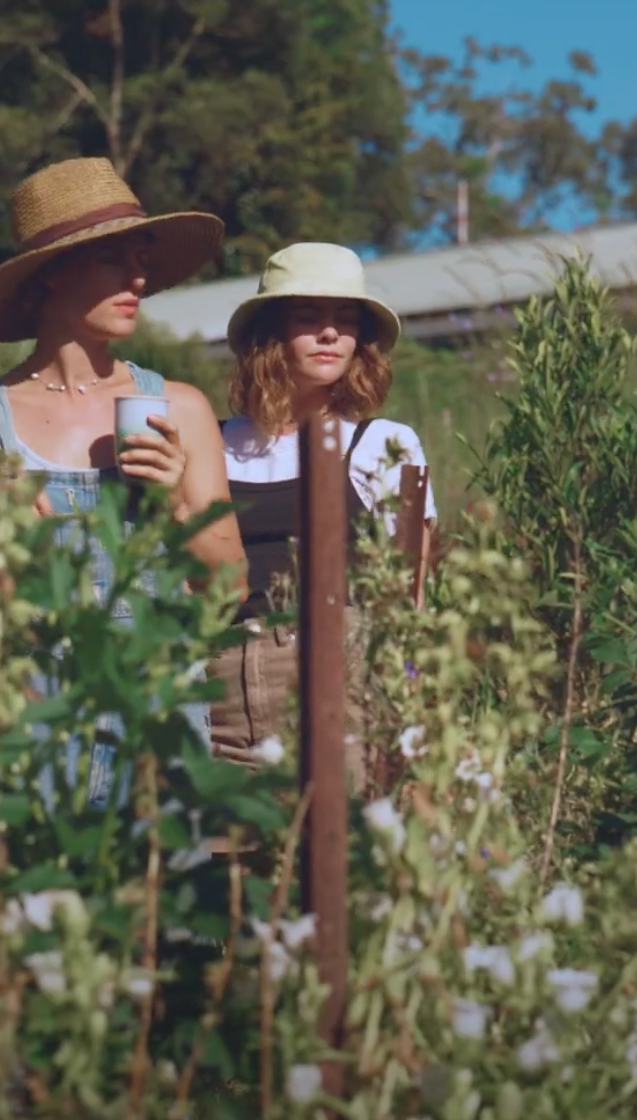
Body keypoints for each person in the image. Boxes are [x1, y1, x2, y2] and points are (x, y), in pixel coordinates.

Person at [0, 156, 246, 811]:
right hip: (22, 724)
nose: (138, 277)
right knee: (19, 913)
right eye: (113, 260)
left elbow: (231, 590)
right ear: (50, 276)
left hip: (153, 718)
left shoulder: (177, 409)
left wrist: (179, 497)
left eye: (142, 257)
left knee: (153, 914)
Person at [209, 242, 436, 793]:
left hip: (340, 681)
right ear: (270, 334)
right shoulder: (211, 441)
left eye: (345, 320)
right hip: (221, 686)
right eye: (309, 317)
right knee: (231, 868)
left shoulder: (384, 442)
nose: (330, 334)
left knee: (343, 859)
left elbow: (413, 590)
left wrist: (410, 695)